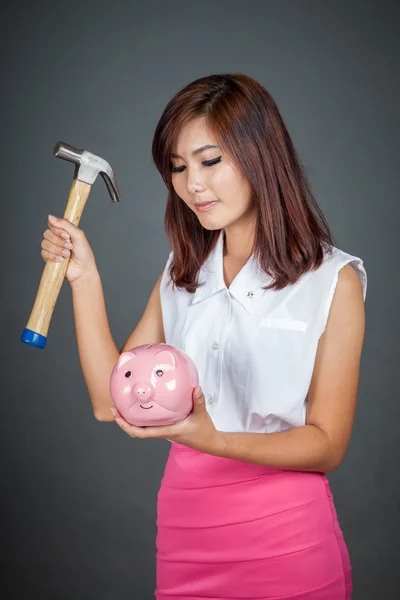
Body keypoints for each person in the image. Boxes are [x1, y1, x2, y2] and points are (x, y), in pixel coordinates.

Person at [41, 73, 367, 599]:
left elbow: (327, 444)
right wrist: (85, 278)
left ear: (261, 155)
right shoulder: (182, 271)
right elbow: (110, 401)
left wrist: (210, 438)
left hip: (285, 540)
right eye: (178, 166)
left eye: (210, 161)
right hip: (186, 531)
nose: (193, 184)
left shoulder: (333, 280)